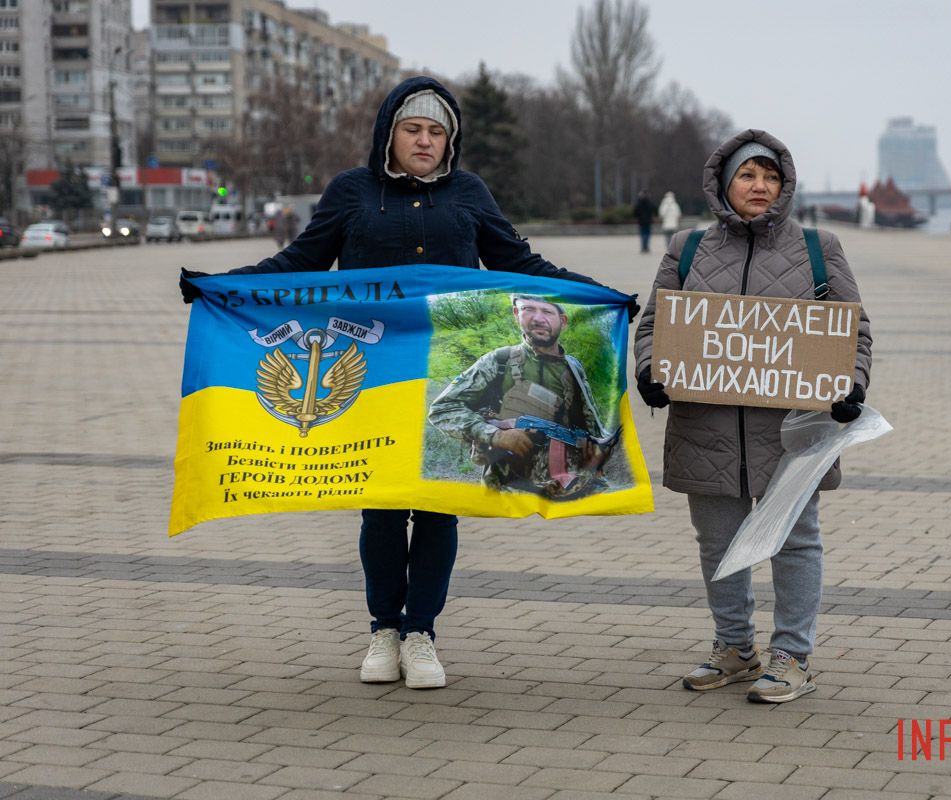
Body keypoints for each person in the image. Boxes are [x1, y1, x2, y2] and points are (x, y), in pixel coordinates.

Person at [179, 75, 626, 691]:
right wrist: (222, 287)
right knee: (383, 507)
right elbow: (300, 262)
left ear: (450, 141)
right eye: (412, 129)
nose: (424, 141)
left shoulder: (469, 193)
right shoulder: (352, 192)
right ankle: (383, 630)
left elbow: (519, 263)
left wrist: (598, 297)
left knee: (438, 508)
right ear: (388, 135)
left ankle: (422, 634)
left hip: (442, 370)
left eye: (436, 132)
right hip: (375, 376)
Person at [633, 129, 872, 704]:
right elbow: (654, 325)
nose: (759, 185)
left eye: (770, 176)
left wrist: (852, 385)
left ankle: (792, 655)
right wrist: (649, 372)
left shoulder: (817, 247)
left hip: (791, 431)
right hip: (705, 427)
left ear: (785, 185)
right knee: (717, 542)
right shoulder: (687, 248)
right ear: (723, 182)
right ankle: (735, 648)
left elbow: (854, 330)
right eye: (747, 174)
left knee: (796, 541)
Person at [427, 294, 613, 499]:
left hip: (573, 490)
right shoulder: (499, 361)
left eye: (547, 311)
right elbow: (442, 410)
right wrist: (495, 435)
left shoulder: (574, 367)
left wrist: (595, 458)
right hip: (509, 493)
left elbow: (589, 423)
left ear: (563, 321)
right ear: (516, 314)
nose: (538, 318)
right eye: (529, 309)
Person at [633, 189, 656, 253]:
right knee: (647, 234)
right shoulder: (650, 203)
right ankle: (646, 246)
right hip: (648, 221)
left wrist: (637, 217)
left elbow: (635, 212)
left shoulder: (638, 203)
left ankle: (643, 247)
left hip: (641, 221)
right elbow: (654, 210)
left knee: (642, 234)